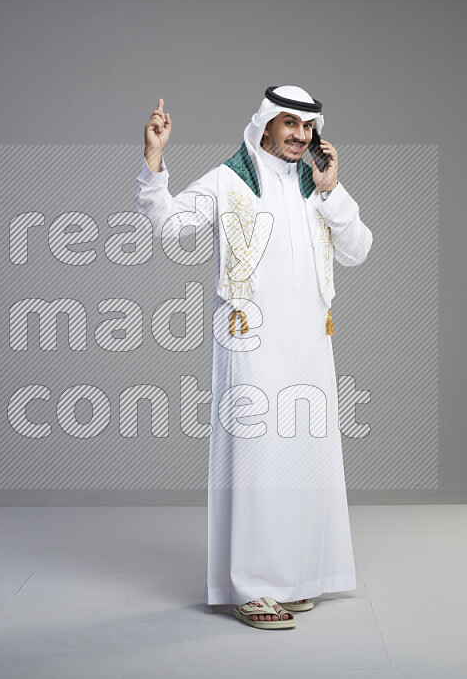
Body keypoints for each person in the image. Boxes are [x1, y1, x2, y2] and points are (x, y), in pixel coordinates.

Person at [135, 86, 373, 629]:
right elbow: (170, 225)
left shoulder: (319, 187)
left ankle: (291, 580)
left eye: (307, 127)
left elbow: (358, 249)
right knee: (256, 458)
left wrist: (333, 191)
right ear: (265, 125)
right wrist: (154, 160)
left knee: (304, 456)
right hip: (250, 339)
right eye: (289, 124)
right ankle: (252, 587)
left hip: (310, 342)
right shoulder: (229, 180)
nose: (299, 136)